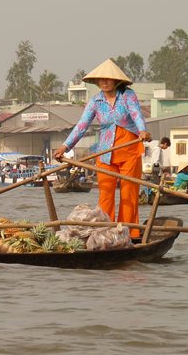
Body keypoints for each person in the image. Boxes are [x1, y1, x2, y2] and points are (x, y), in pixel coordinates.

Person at [53, 58, 151, 237]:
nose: (104, 82)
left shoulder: (127, 95)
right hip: (106, 153)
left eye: (108, 79)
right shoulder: (95, 101)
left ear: (116, 80)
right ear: (97, 82)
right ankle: (105, 234)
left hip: (129, 151)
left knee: (128, 195)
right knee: (105, 195)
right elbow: (81, 126)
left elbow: (137, 114)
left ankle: (129, 233)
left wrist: (143, 130)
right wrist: (65, 147)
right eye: (101, 79)